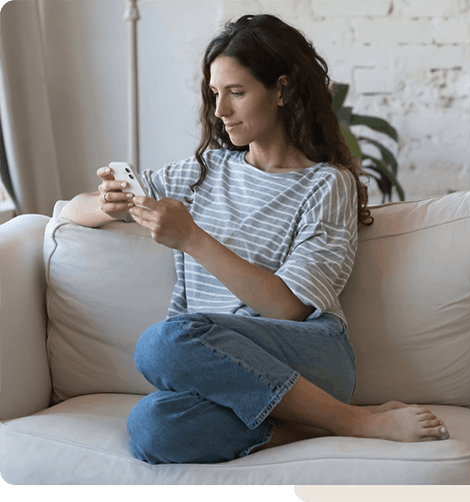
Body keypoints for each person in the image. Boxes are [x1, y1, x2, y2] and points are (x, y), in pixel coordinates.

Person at [61, 14, 449, 464]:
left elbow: (289, 308)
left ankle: (357, 422)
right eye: (214, 94)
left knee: (161, 343)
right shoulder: (200, 174)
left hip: (311, 354)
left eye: (237, 93)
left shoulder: (327, 184)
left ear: (282, 90)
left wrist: (192, 238)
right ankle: (306, 422)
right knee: (151, 427)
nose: (220, 110)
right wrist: (107, 204)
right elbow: (70, 209)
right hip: (222, 366)